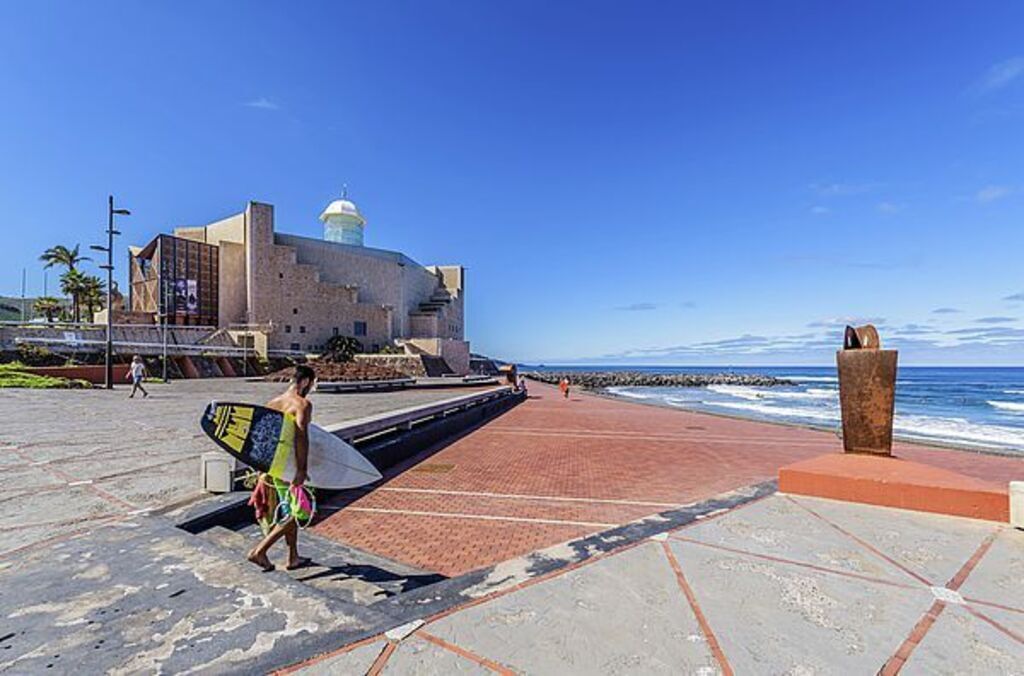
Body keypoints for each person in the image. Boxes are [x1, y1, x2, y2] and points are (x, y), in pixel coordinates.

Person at [247, 365, 316, 572]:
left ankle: (293, 557)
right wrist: (302, 470)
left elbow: (263, 439)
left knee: (288, 509)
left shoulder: (272, 403)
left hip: (274, 466)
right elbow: (301, 437)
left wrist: (262, 470)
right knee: (299, 512)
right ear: (304, 382)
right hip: (291, 466)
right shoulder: (302, 404)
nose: (310, 389)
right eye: (311, 384)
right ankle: (259, 551)